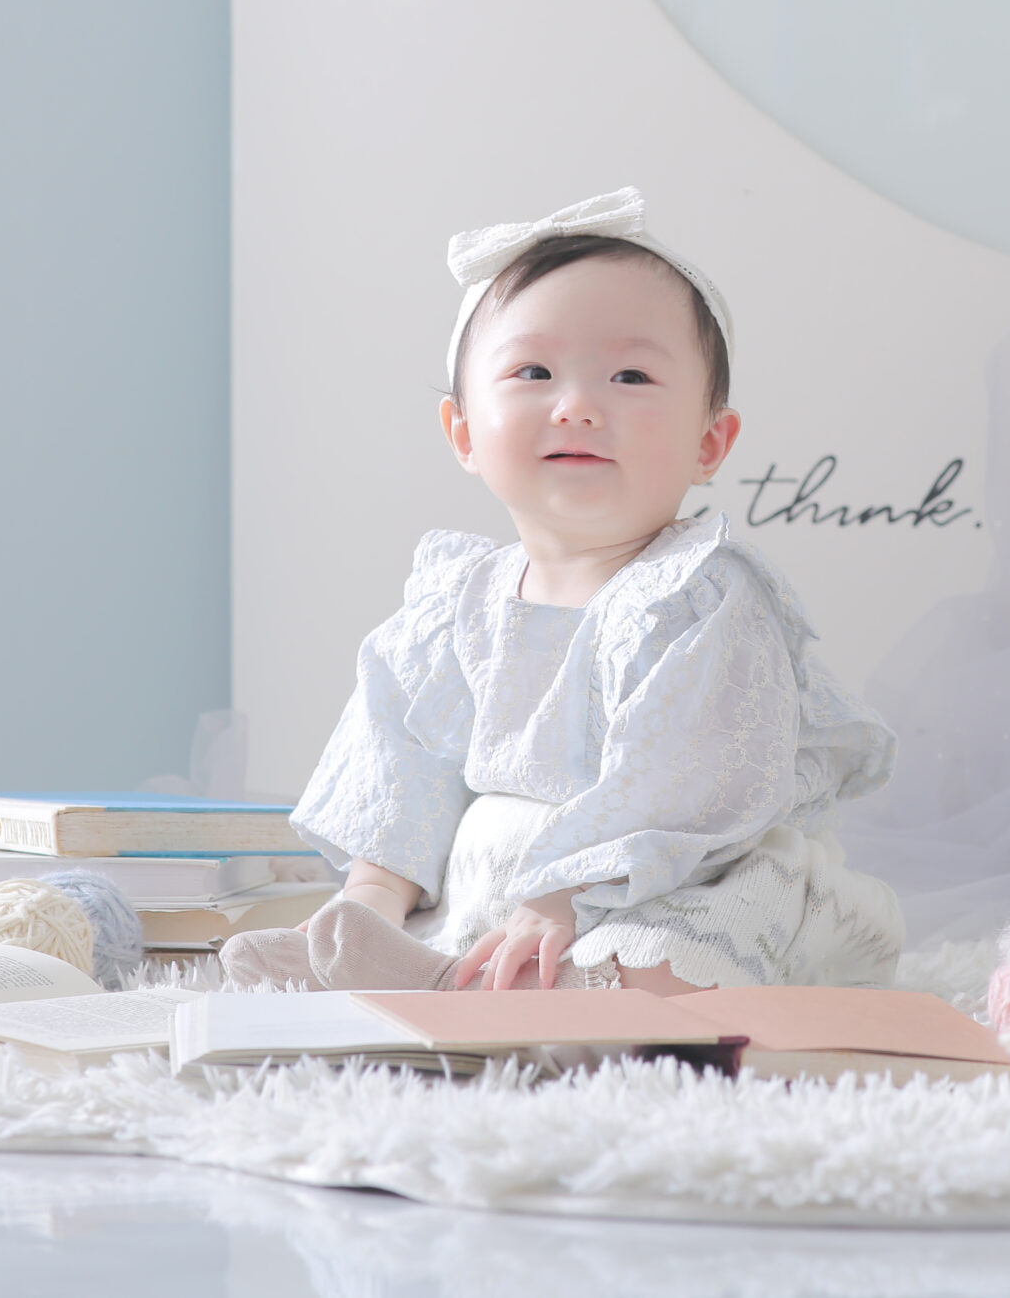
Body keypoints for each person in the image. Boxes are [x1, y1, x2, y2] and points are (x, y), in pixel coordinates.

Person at [220, 188, 902, 995]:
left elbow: (696, 778)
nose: (577, 406)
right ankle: (411, 961)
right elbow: (402, 759)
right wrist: (373, 893)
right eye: (534, 372)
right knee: (468, 868)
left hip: (680, 870)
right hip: (510, 887)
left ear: (709, 440)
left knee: (661, 960)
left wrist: (564, 896)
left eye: (631, 375)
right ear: (464, 433)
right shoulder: (456, 602)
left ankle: (524, 994)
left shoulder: (700, 595)